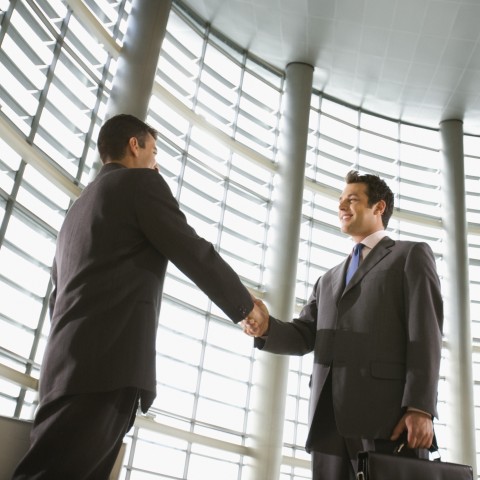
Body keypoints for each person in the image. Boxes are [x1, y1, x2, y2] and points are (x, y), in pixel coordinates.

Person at [13, 113, 263, 479]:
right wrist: (244, 307)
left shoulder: (76, 211)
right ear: (135, 145)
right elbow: (190, 249)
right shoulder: (139, 184)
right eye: (154, 151)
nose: (156, 162)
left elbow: (58, 298)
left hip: (64, 369)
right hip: (107, 366)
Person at [242, 170, 443, 480]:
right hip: (328, 423)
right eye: (339, 201)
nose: (342, 207)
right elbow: (305, 334)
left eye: (352, 200)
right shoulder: (328, 279)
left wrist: (420, 407)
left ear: (379, 207)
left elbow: (425, 333)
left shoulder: (410, 255)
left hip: (388, 420)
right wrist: (267, 326)